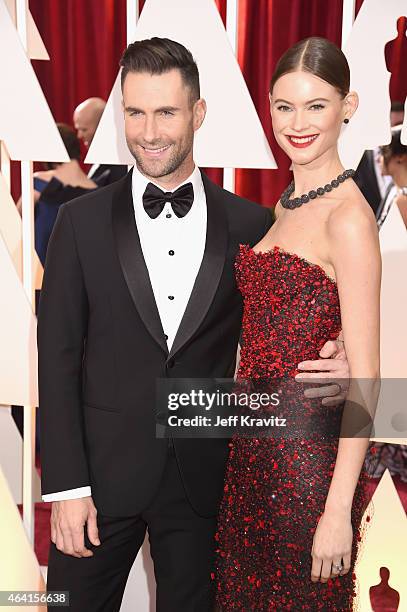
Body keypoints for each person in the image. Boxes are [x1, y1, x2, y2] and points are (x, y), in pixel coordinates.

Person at [38, 38, 350, 612]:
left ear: (198, 114)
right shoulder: (78, 224)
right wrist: (67, 487)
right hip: (98, 484)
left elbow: (304, 309)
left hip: (208, 480)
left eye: (166, 112)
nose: (149, 132)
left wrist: (345, 353)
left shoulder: (254, 224)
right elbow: (55, 359)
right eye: (134, 112)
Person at [215, 37, 381, 610]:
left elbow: (366, 380)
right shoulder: (284, 205)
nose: (298, 122)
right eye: (285, 106)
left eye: (317, 105)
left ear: (349, 106)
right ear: (268, 107)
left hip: (306, 471)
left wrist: (337, 510)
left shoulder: (349, 218)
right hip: (250, 461)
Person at [31, 123, 97, 265]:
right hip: (75, 273)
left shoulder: (39, 182)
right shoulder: (97, 191)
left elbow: (15, 222)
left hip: (38, 273)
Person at [353, 101, 405, 214]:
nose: (398, 131)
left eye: (401, 125)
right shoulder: (356, 158)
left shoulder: (401, 198)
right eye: (394, 126)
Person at [73, 97, 128, 186]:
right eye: (78, 129)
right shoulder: (99, 161)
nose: (79, 136)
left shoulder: (119, 166)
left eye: (84, 129)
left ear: (101, 127)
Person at [376, 124, 407, 228]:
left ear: (400, 157)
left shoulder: (403, 200)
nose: (378, 159)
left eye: (383, 152)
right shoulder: (392, 189)